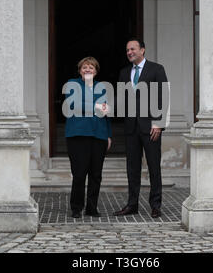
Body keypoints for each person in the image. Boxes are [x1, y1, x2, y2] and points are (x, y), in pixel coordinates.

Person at [113, 39, 168, 218]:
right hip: (131, 128)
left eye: (133, 49)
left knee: (154, 167)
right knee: (132, 168)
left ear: (142, 50)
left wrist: (159, 123)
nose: (129, 52)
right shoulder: (124, 72)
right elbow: (121, 101)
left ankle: (155, 205)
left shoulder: (156, 69)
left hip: (151, 127)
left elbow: (163, 97)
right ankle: (132, 204)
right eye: (127, 50)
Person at [65, 57, 112, 218]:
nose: (87, 70)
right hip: (77, 135)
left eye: (91, 68)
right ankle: (76, 207)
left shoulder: (102, 87)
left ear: (96, 71)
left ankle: (92, 208)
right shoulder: (73, 84)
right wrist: (96, 106)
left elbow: (105, 113)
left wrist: (108, 135)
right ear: (79, 70)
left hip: (99, 134)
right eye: (84, 67)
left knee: (96, 174)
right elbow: (73, 105)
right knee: (79, 173)